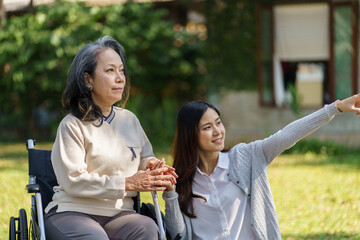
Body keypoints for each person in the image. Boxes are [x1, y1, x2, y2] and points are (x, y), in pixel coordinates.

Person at [163, 94, 360, 240]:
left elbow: (287, 135)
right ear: (191, 135)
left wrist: (336, 108)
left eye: (219, 123)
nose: (218, 132)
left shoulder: (245, 157)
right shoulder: (181, 179)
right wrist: (170, 194)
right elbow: (178, 234)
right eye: (207, 127)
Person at [44, 36, 177, 240]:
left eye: (121, 70)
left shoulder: (130, 120)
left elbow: (143, 157)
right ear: (88, 79)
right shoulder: (72, 125)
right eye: (110, 70)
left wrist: (152, 167)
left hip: (120, 214)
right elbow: (74, 181)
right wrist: (127, 183)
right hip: (73, 211)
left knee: (148, 228)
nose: (120, 78)